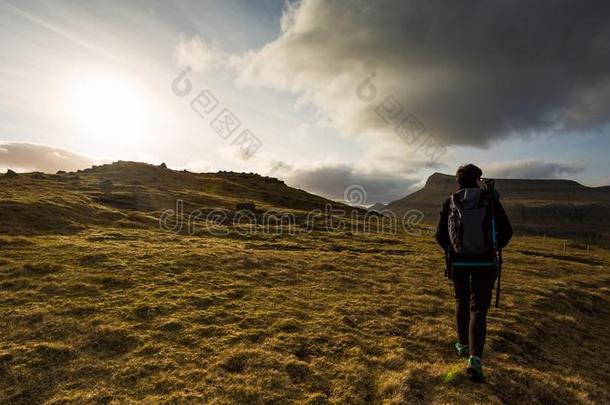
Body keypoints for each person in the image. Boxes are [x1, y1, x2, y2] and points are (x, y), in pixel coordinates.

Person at [435, 164, 512, 382]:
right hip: (485, 263)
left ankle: (462, 345)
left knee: (461, 301)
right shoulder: (490, 201)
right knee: (478, 309)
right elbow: (507, 232)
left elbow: (440, 235)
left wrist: (453, 251)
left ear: (458, 181)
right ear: (478, 180)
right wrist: (492, 248)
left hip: (458, 264)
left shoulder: (450, 202)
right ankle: (474, 358)